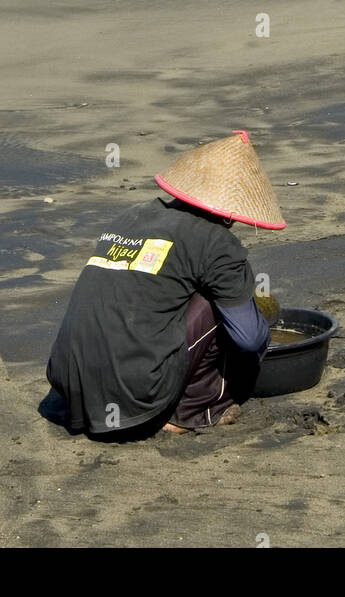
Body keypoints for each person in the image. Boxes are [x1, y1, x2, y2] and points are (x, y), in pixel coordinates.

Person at [45, 131, 286, 437]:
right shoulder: (218, 243)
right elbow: (249, 340)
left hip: (68, 383)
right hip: (136, 392)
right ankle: (191, 411)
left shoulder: (131, 216)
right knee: (230, 313)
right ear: (231, 213)